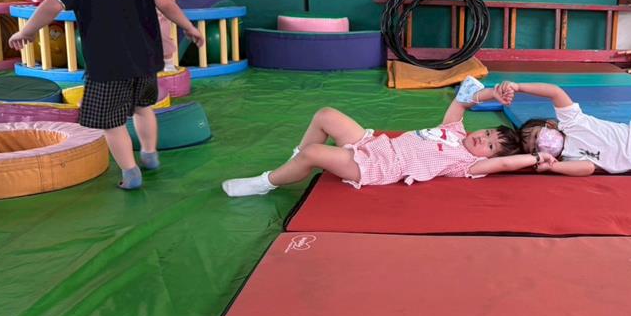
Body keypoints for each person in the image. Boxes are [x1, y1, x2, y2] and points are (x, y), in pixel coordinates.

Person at [8, 0, 203, 190]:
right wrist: (189, 26)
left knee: (112, 122)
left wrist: (27, 31)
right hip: (145, 58)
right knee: (143, 108)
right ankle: (149, 153)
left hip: (107, 64)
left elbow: (51, 6)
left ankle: (130, 172)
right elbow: (166, 3)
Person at [222, 82, 552, 197]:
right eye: (488, 133)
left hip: (379, 167)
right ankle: (292, 164)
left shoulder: (467, 164)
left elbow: (506, 164)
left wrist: (537, 158)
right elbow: (463, 100)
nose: (484, 139)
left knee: (314, 153)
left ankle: (265, 182)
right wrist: (493, 93)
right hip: (377, 145)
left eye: (490, 146)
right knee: (325, 114)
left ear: (487, 157)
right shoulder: (455, 130)